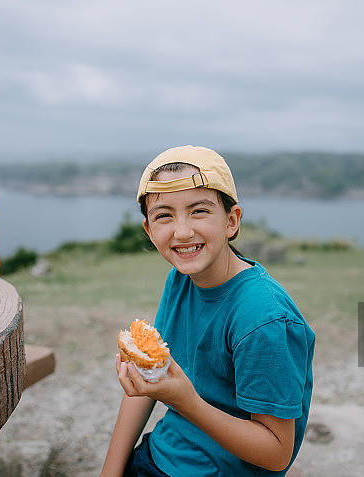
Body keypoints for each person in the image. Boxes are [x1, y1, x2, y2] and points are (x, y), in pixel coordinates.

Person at [101, 145, 315, 476]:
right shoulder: (180, 279)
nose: (182, 231)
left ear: (231, 221)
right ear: (149, 230)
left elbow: (277, 453)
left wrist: (187, 401)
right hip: (160, 456)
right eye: (164, 215)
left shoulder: (263, 319)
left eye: (199, 211)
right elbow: (151, 377)